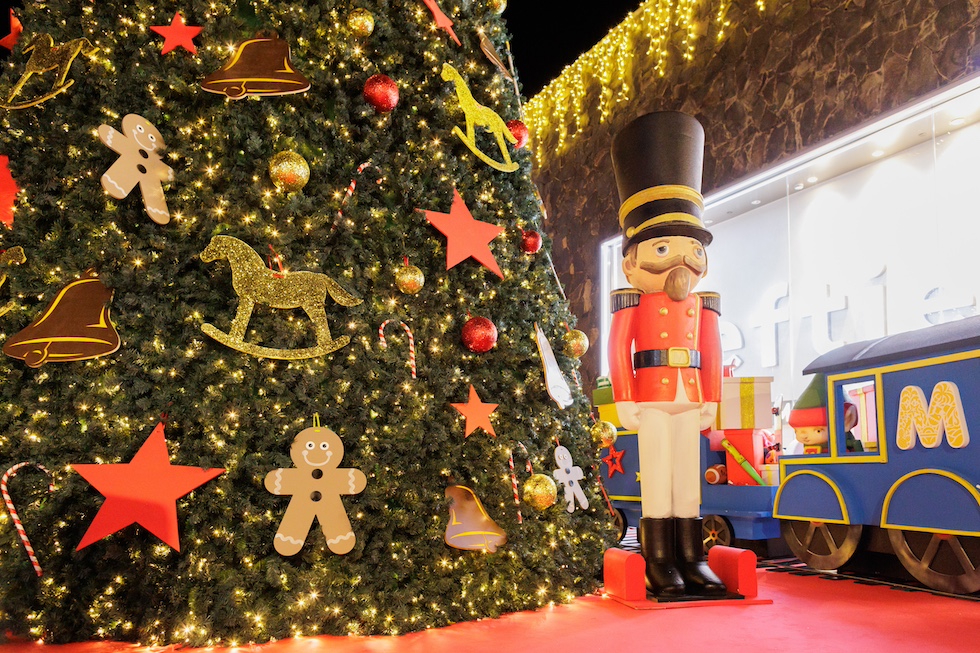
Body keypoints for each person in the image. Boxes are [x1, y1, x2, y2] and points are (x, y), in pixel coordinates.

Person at [607, 111, 725, 598]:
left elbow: (713, 354)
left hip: (691, 393)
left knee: (688, 479)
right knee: (657, 473)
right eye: (662, 246)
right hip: (651, 394)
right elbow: (618, 350)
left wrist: (713, 399)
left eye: (691, 248)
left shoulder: (705, 305)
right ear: (632, 261)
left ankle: (692, 557)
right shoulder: (632, 301)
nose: (681, 257)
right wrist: (623, 398)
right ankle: (659, 559)